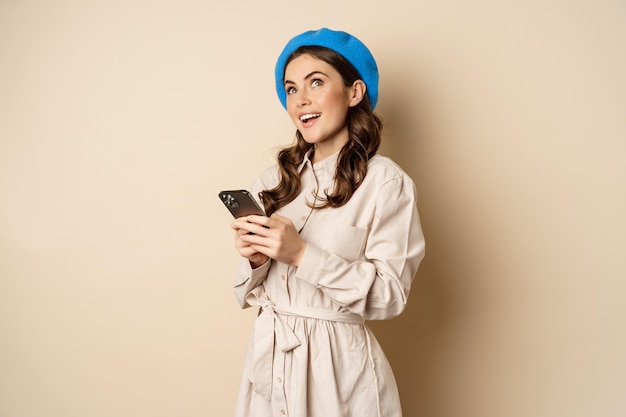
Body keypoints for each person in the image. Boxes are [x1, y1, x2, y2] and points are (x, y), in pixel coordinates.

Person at [230, 28, 425, 417]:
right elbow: (247, 291)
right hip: (268, 366)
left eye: (316, 82)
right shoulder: (272, 182)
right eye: (290, 89)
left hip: (339, 373)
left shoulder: (385, 183)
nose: (301, 99)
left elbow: (390, 296)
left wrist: (302, 254)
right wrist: (256, 259)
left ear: (355, 92)